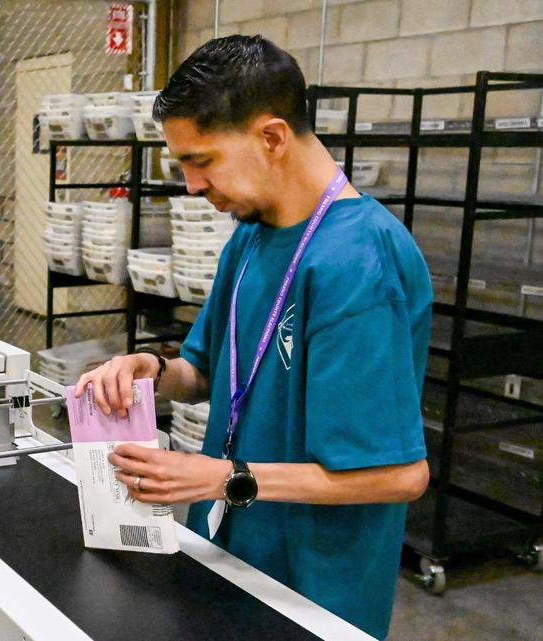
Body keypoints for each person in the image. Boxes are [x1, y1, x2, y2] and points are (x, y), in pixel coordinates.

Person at [74, 36, 432, 639]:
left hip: (316, 590)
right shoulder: (251, 233)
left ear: (272, 137)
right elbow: (208, 370)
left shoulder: (356, 264)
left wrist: (223, 477)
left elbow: (400, 475)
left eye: (203, 161)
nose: (190, 185)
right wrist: (152, 371)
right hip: (231, 556)